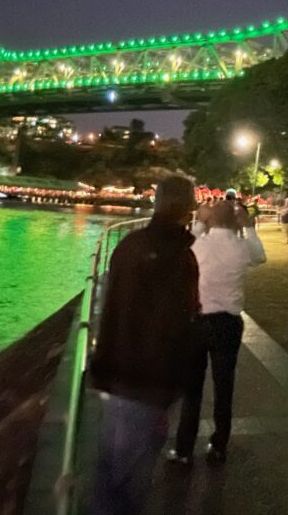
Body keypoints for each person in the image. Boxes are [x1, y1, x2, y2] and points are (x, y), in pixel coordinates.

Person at [87, 174, 200, 515]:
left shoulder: (128, 245)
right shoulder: (181, 259)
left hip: (114, 372)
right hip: (150, 383)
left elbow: (110, 307)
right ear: (189, 208)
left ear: (156, 202)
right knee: (131, 481)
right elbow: (180, 324)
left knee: (108, 469)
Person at [168, 200, 266, 465]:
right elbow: (260, 256)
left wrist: (199, 222)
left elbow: (179, 250)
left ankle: (184, 448)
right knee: (224, 387)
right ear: (236, 222)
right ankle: (219, 444)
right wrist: (250, 228)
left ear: (211, 219)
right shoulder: (242, 246)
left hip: (197, 320)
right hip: (228, 323)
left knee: (192, 388)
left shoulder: (198, 244)